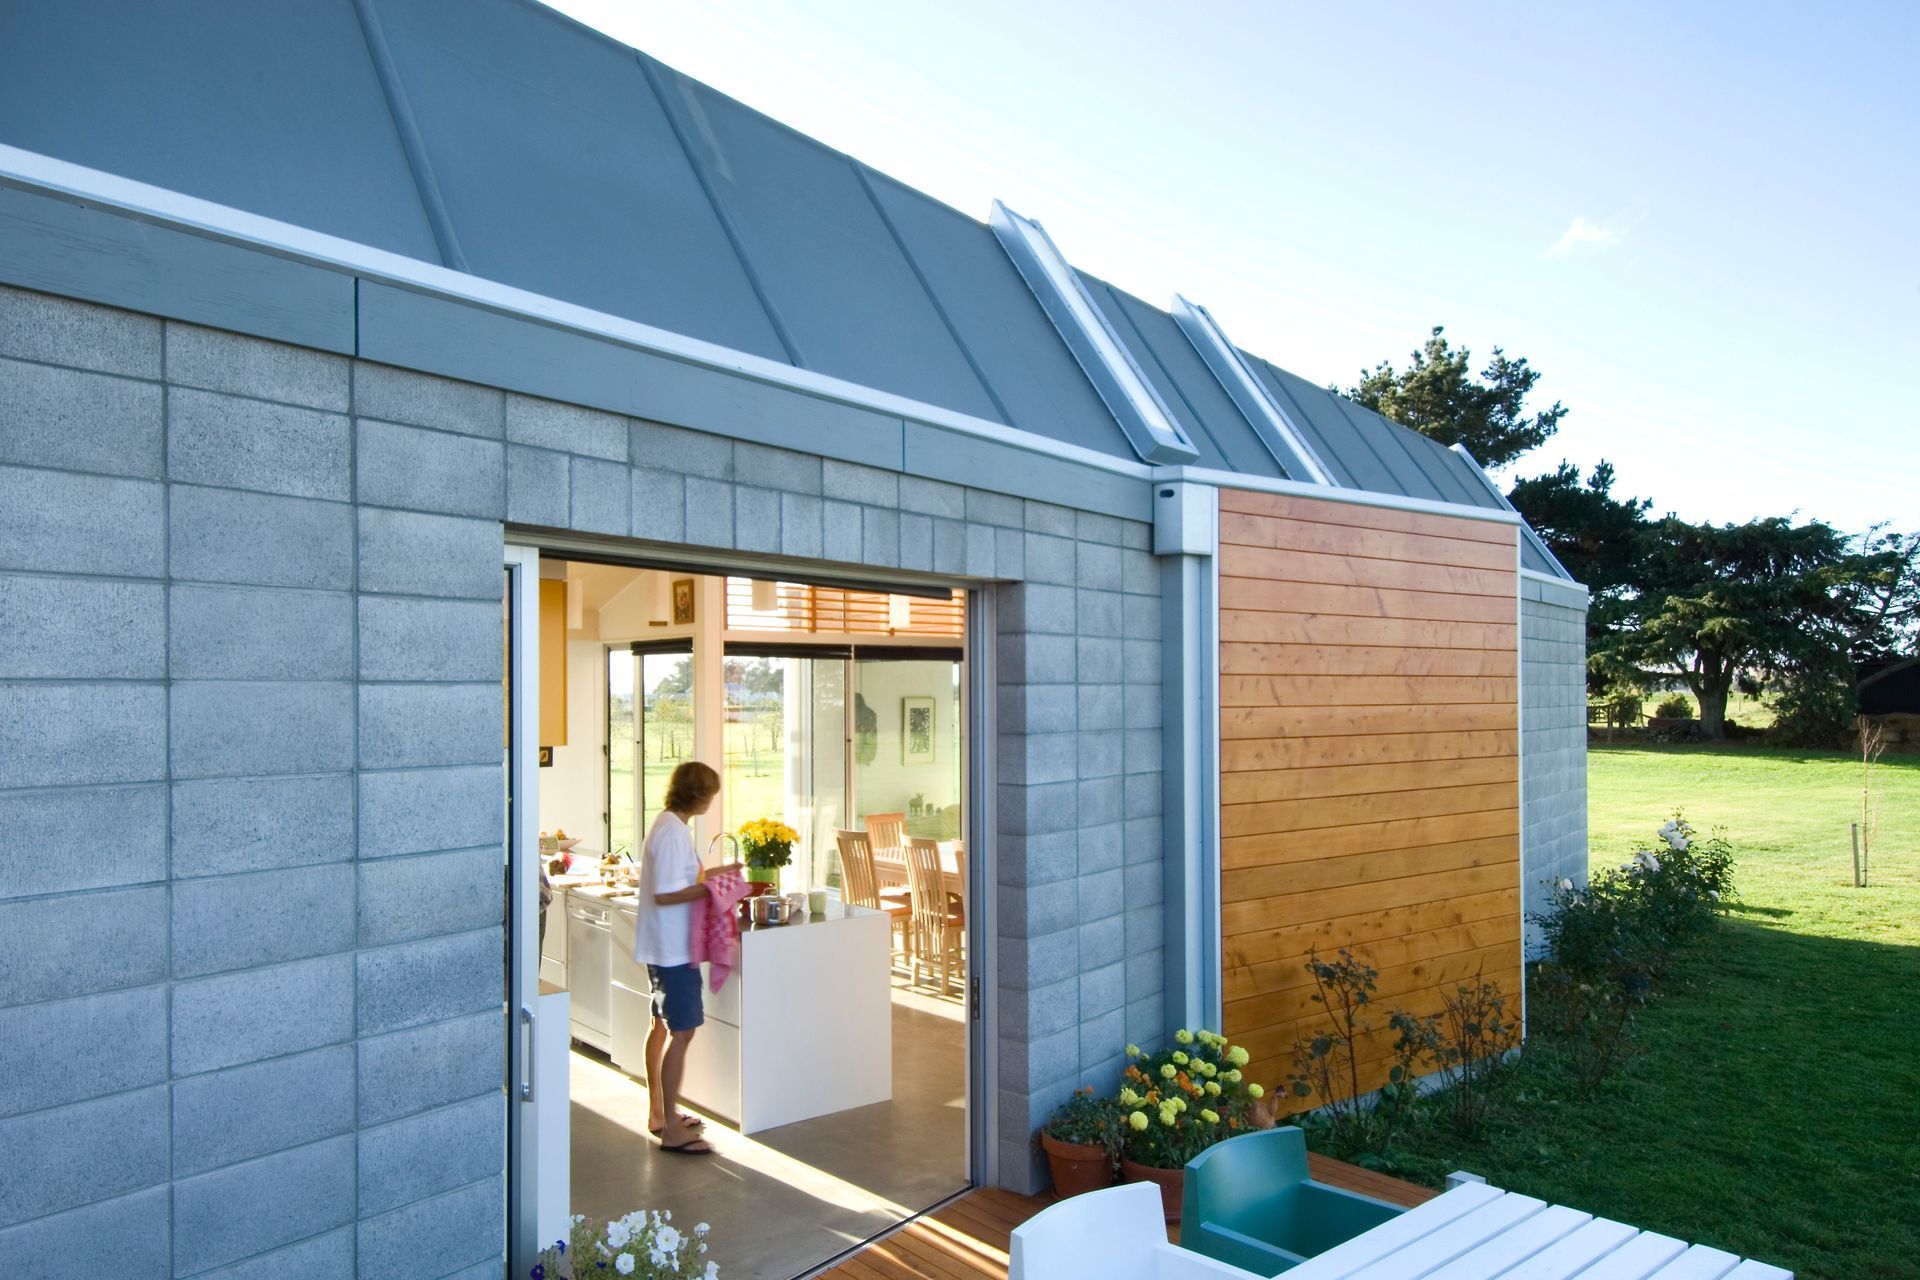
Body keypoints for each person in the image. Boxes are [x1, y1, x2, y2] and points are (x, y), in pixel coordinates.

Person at [632, 761, 737, 1154]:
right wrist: (715, 890)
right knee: (683, 1032)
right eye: (709, 794)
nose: (711, 801)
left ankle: (660, 1115)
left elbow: (679, 881)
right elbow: (666, 895)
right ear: (698, 796)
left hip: (661, 945)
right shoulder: (674, 834)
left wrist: (718, 874)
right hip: (672, 950)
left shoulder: (667, 824)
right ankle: (672, 1131)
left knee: (660, 1025)